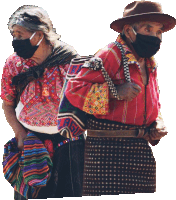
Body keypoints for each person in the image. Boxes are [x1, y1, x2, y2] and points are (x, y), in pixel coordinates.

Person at [58, 1, 176, 196]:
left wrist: (157, 123)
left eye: (159, 32)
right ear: (129, 31)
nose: (155, 37)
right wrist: (115, 92)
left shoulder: (149, 63)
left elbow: (153, 102)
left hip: (140, 152)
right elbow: (74, 90)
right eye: (148, 29)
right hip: (106, 153)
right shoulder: (110, 54)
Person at [1, 5, 85, 199]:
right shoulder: (14, 64)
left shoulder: (68, 59)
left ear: (39, 35)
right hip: (31, 142)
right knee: (32, 194)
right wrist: (20, 133)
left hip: (69, 143)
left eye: (20, 35)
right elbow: (7, 104)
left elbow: (86, 98)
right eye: (13, 34)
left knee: (70, 192)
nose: (16, 40)